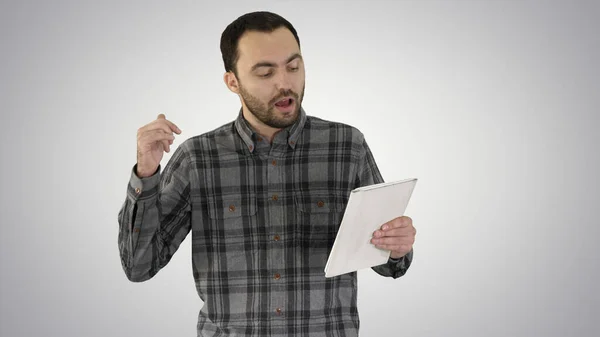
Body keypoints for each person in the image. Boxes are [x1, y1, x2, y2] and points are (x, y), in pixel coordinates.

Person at [118, 11, 416, 337]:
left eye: (293, 66)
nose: (284, 83)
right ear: (233, 81)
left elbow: (388, 263)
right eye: (265, 72)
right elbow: (139, 265)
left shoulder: (347, 146)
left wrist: (397, 247)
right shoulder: (198, 158)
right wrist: (145, 172)